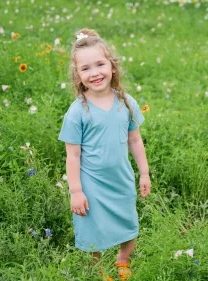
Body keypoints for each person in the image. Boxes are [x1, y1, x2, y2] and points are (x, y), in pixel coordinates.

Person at [58, 28, 151, 281]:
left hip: (120, 178)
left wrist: (144, 173)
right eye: (86, 68)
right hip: (91, 183)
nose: (95, 73)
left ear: (112, 66)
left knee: (128, 223)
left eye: (100, 64)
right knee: (92, 229)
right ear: (77, 75)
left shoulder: (126, 101)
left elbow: (134, 139)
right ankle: (96, 268)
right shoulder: (77, 112)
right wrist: (76, 191)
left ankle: (123, 260)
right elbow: (73, 156)